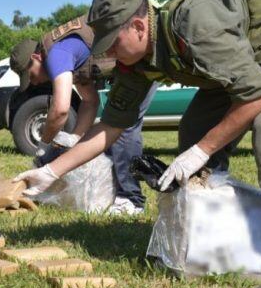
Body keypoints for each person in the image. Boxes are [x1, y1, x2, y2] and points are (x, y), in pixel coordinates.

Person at [16, 0, 261, 288]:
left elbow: (258, 95)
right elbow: (111, 126)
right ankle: (222, 237)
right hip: (242, 49)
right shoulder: (134, 63)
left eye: (112, 45)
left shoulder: (195, 24)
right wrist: (50, 171)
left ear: (140, 26)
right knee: (194, 129)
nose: (107, 55)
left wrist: (201, 152)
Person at [9, 17, 157, 215]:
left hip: (141, 63)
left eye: (31, 75)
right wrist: (74, 139)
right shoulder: (69, 54)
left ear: (36, 57)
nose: (34, 82)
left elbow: (60, 109)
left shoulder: (57, 55)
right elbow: (89, 101)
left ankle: (131, 199)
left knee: (124, 127)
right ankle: (116, 192)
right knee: (114, 127)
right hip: (129, 67)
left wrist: (43, 148)